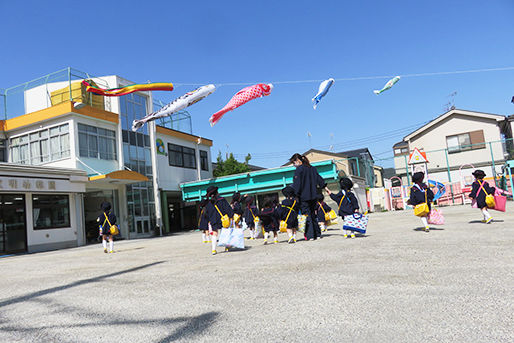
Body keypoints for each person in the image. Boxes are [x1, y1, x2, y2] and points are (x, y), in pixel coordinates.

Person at [289, 153, 326, 241]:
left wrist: (295, 194)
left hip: (304, 197)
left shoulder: (299, 170)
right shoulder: (312, 168)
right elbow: (319, 179)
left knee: (307, 215)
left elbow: (297, 184)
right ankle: (317, 233)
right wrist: (325, 187)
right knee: (313, 215)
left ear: (298, 161)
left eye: (294, 163)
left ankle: (310, 235)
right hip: (314, 196)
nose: (294, 165)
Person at [205, 186, 234, 255]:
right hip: (222, 218)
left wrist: (209, 220)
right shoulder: (222, 199)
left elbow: (207, 213)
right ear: (216, 192)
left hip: (213, 219)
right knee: (225, 232)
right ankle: (227, 247)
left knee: (214, 233)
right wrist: (231, 215)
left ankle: (213, 250)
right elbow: (227, 209)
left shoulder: (208, 203)